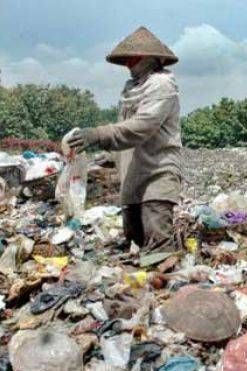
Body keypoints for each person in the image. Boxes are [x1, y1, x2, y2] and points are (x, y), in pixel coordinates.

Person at [67, 26, 182, 252]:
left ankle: (166, 280)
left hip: (158, 172)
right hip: (132, 175)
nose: (129, 64)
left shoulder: (162, 84)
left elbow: (141, 127)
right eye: (128, 59)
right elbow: (123, 129)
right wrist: (107, 157)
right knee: (135, 242)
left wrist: (98, 134)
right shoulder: (130, 89)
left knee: (158, 244)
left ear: (150, 59)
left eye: (134, 58)